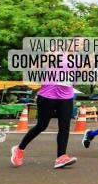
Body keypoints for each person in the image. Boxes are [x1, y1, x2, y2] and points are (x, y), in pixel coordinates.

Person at [11, 39, 83, 168]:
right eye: (78, 42)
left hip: (66, 96)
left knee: (65, 127)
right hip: (48, 95)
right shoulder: (56, 53)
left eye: (83, 44)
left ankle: (61, 158)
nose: (80, 45)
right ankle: (19, 149)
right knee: (41, 126)